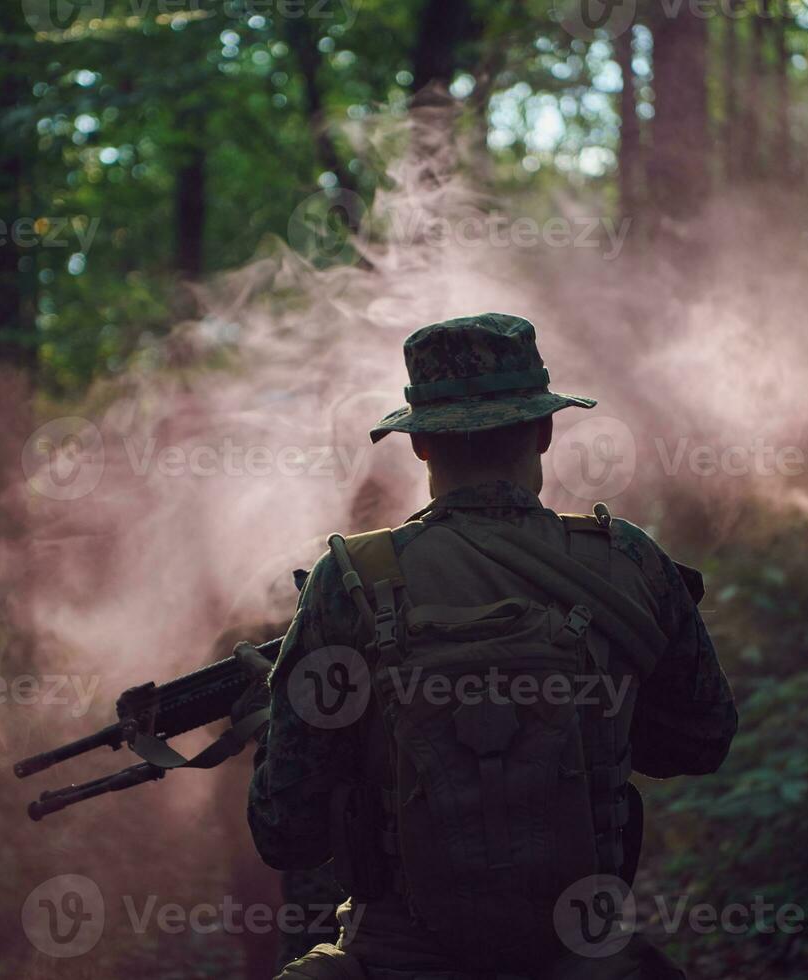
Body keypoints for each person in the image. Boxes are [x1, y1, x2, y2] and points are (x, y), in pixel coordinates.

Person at [231, 313, 737, 980]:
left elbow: (285, 831)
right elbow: (700, 743)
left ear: (419, 446)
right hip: (583, 956)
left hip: (397, 961)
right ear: (545, 429)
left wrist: (284, 710)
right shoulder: (628, 563)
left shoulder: (348, 581)